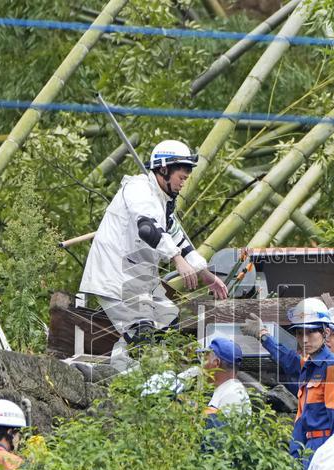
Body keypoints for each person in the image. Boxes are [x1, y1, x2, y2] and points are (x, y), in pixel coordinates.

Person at [79, 140, 227, 366]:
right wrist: (176, 260)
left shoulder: (164, 202)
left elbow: (180, 240)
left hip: (139, 280)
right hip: (117, 276)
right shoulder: (139, 188)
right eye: (181, 177)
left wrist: (207, 276)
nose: (183, 183)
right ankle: (131, 378)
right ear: (164, 169)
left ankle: (120, 372)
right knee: (142, 333)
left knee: (169, 322)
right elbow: (147, 228)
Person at [244, 298, 334, 468]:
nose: (304, 339)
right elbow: (287, 359)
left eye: (310, 332)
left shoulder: (332, 367)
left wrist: (333, 459)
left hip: (323, 448)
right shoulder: (310, 364)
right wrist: (263, 335)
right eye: (300, 333)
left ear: (325, 333)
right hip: (306, 445)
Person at [200, 337, 251, 427]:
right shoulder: (228, 389)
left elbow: (222, 436)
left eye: (205, 360)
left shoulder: (231, 395)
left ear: (216, 363)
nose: (202, 365)